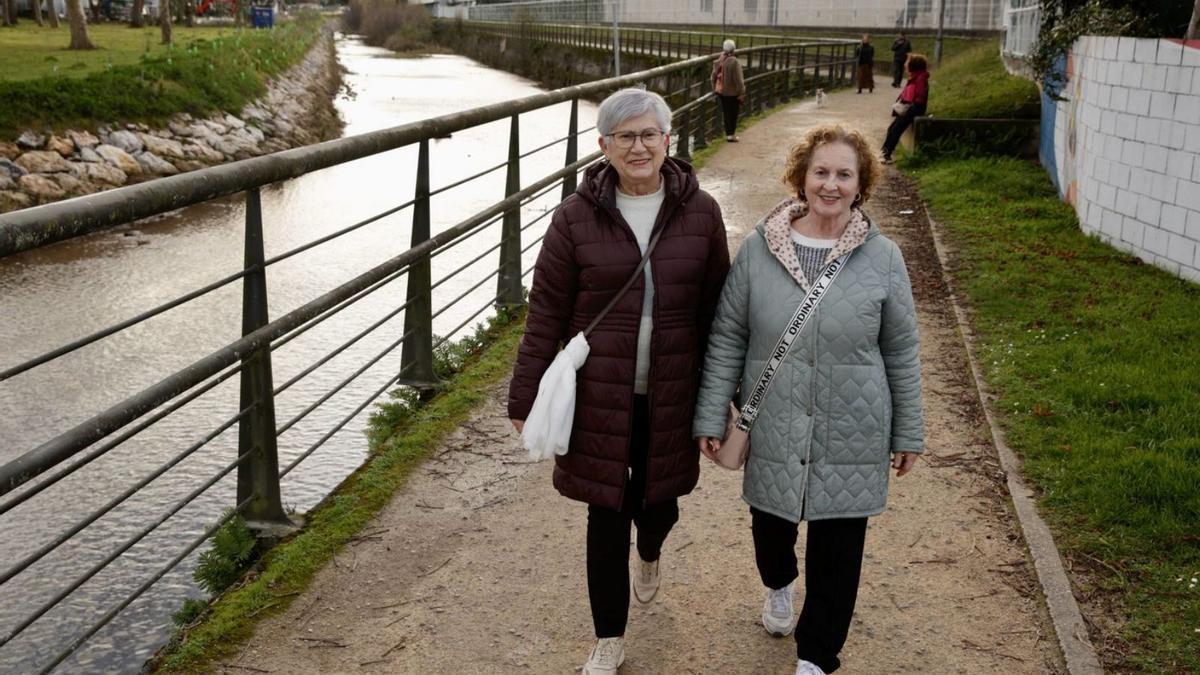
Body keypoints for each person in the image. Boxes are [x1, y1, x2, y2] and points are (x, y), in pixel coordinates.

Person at [508, 87, 730, 675]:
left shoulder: (700, 212)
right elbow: (546, 314)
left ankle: (651, 550)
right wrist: (525, 394)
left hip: (674, 390)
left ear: (666, 139)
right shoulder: (575, 217)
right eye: (624, 136)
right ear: (603, 146)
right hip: (599, 393)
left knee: (661, 501)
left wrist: (725, 395)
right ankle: (609, 637)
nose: (638, 146)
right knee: (604, 512)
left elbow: (718, 313)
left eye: (648, 134)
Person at [693, 123, 924, 675]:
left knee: (840, 550)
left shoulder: (884, 257)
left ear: (861, 183)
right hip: (774, 417)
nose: (831, 184)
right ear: (801, 177)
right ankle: (779, 584)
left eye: (845, 174)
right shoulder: (758, 249)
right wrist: (711, 413)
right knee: (771, 530)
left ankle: (817, 656)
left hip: (854, 424)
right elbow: (728, 335)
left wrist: (908, 431)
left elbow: (902, 349)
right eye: (821, 172)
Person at [881, 53, 929, 164]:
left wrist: (909, 106)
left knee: (896, 129)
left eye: (907, 62)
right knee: (892, 128)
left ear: (914, 65)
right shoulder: (916, 76)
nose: (905, 64)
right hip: (910, 107)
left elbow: (920, 97)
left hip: (914, 108)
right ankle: (885, 152)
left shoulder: (920, 78)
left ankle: (886, 154)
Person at [712, 39, 747, 142]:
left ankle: (728, 134)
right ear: (733, 49)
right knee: (733, 113)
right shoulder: (734, 61)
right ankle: (731, 135)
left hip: (721, 92)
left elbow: (713, 76)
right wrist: (741, 92)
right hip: (732, 92)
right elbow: (739, 80)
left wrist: (714, 88)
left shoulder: (720, 60)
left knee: (726, 113)